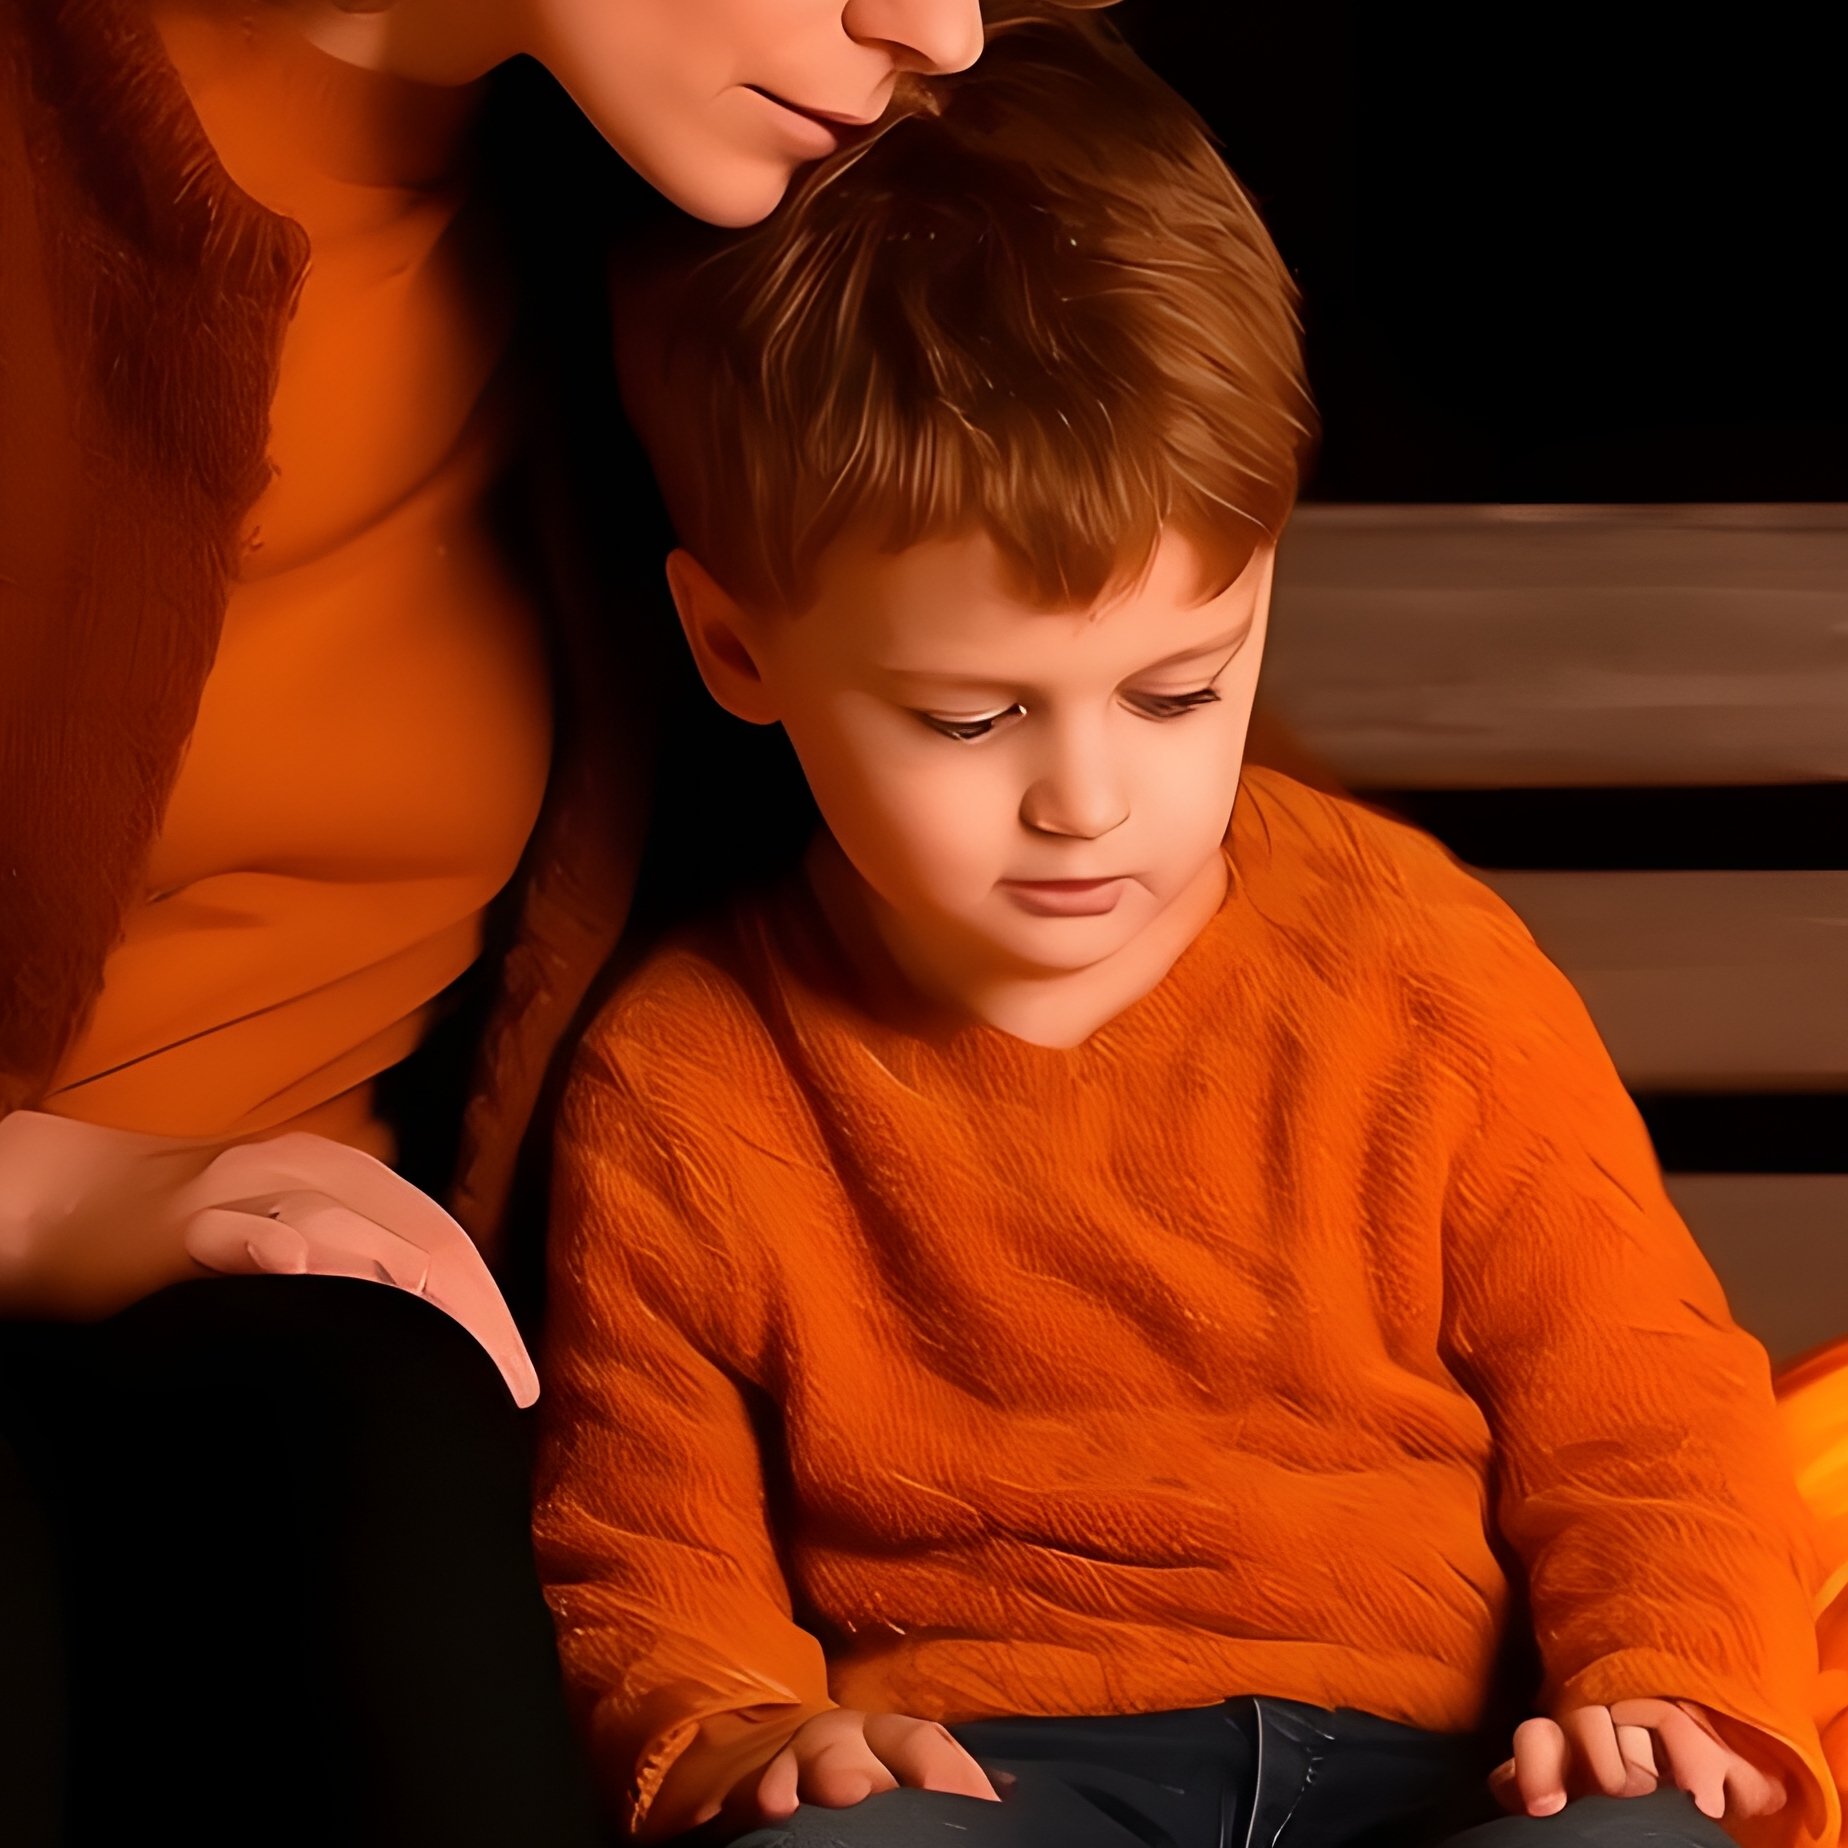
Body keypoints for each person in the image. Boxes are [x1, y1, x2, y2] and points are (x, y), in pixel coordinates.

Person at [530, 17, 1843, 1848]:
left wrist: (1658, 1687)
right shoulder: (690, 1080)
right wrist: (738, 1727)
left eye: (1177, 690)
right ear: (740, 647)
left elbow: (1644, 1413)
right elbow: (643, 1538)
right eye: (973, 719)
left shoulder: (1418, 969)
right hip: (992, 1782)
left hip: (1440, 1778)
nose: (1086, 801)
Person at [0, 1, 1084, 1841]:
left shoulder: (695, 213)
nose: (940, 27)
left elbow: (1117, 692)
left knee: (370, 1428)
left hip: (362, 1423)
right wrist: (56, 1197)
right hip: (188, 1375)